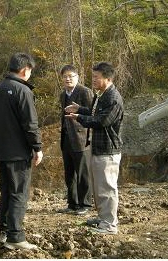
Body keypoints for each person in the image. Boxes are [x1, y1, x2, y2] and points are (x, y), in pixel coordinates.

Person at [0, 52, 43, 250]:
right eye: (30, 70)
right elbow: (31, 124)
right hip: (19, 153)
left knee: (6, 192)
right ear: (24, 70)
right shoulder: (23, 91)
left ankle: (4, 231)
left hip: (2, 151)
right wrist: (37, 147)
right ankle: (16, 236)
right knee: (19, 193)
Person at [65, 62, 123, 234]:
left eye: (97, 77)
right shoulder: (102, 95)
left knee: (107, 188)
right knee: (99, 187)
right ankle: (103, 217)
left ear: (108, 78)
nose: (94, 80)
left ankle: (109, 225)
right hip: (98, 148)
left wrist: (78, 117)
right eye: (93, 77)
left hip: (108, 150)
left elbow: (101, 121)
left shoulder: (113, 98)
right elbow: (94, 112)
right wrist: (80, 109)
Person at [58, 65, 94, 215]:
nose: (68, 79)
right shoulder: (62, 95)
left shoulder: (85, 92)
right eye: (65, 76)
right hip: (67, 138)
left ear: (77, 77)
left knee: (83, 173)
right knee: (69, 173)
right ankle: (72, 203)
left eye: (71, 76)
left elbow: (93, 114)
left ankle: (85, 204)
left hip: (81, 139)